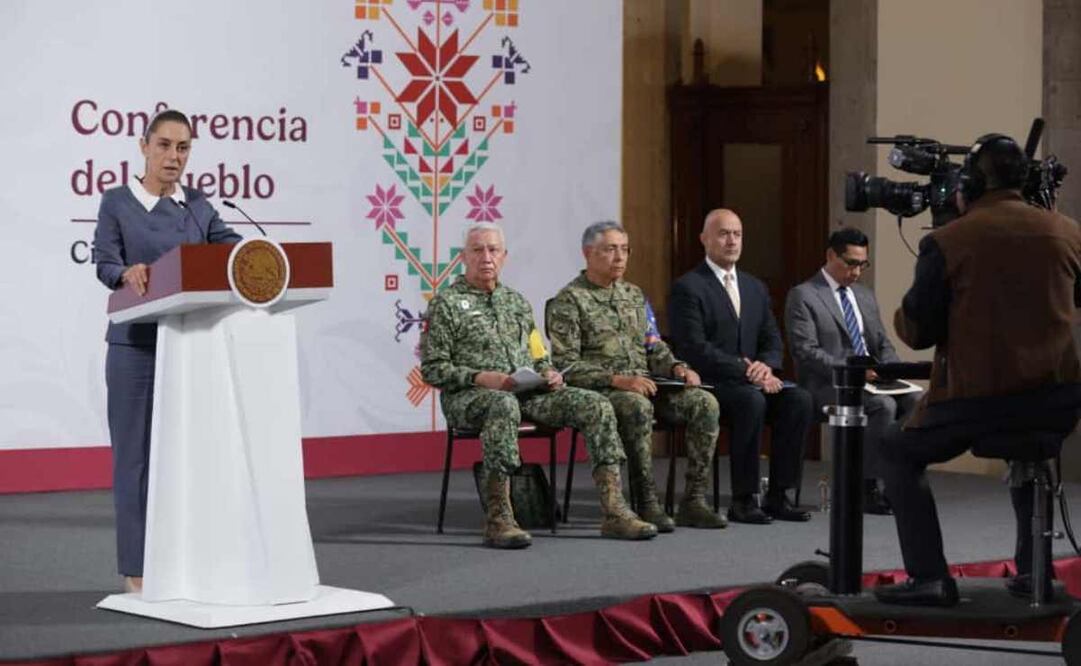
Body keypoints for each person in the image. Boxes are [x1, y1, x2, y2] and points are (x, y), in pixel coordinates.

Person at [873, 134, 1081, 607]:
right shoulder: (1069, 232)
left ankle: (929, 578)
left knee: (896, 452)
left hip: (978, 400)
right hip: (1058, 400)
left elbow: (917, 331)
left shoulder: (949, 240)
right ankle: (1034, 572)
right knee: (1030, 455)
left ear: (970, 183)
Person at [421, 222, 657, 549]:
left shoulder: (517, 303)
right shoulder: (446, 304)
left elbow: (537, 352)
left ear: (504, 256)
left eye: (493, 250)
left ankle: (615, 511)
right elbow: (433, 369)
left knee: (596, 404)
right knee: (501, 405)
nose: (486, 257)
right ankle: (499, 519)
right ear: (464, 257)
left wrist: (548, 372)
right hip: (472, 397)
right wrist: (478, 378)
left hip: (527, 391)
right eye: (478, 250)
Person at [92, 109, 242, 593]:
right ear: (143, 146)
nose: (173, 157)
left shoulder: (198, 206)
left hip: (189, 348)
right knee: (134, 461)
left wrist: (258, 257)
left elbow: (233, 249)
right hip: (135, 347)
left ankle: (187, 560)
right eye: (164, 146)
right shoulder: (117, 201)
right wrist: (123, 273)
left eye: (183, 148)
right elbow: (104, 260)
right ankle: (137, 571)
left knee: (188, 458)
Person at [546, 221, 726, 532]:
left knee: (704, 403)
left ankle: (694, 500)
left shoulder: (633, 295)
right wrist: (618, 380)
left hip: (647, 384)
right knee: (636, 406)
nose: (620, 257)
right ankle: (647, 501)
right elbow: (566, 365)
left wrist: (677, 368)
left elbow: (653, 346)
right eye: (610, 249)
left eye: (624, 249)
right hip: (606, 391)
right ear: (588, 253)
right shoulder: (570, 300)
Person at [669, 209, 813, 525]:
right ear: (704, 239)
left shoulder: (754, 287)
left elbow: (772, 340)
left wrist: (767, 367)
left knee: (799, 400)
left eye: (737, 234)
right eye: (723, 233)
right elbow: (693, 347)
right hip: (713, 382)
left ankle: (779, 495)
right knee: (752, 401)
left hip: (755, 381)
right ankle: (744, 499)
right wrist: (747, 371)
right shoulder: (688, 287)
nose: (732, 240)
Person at [785, 227, 919, 515]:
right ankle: (866, 488)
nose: (857, 271)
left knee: (916, 402)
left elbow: (882, 343)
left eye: (862, 264)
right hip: (827, 384)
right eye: (851, 263)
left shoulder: (865, 296)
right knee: (881, 406)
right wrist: (854, 370)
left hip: (871, 379)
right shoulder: (804, 295)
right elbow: (806, 352)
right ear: (831, 255)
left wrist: (889, 369)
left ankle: (898, 481)